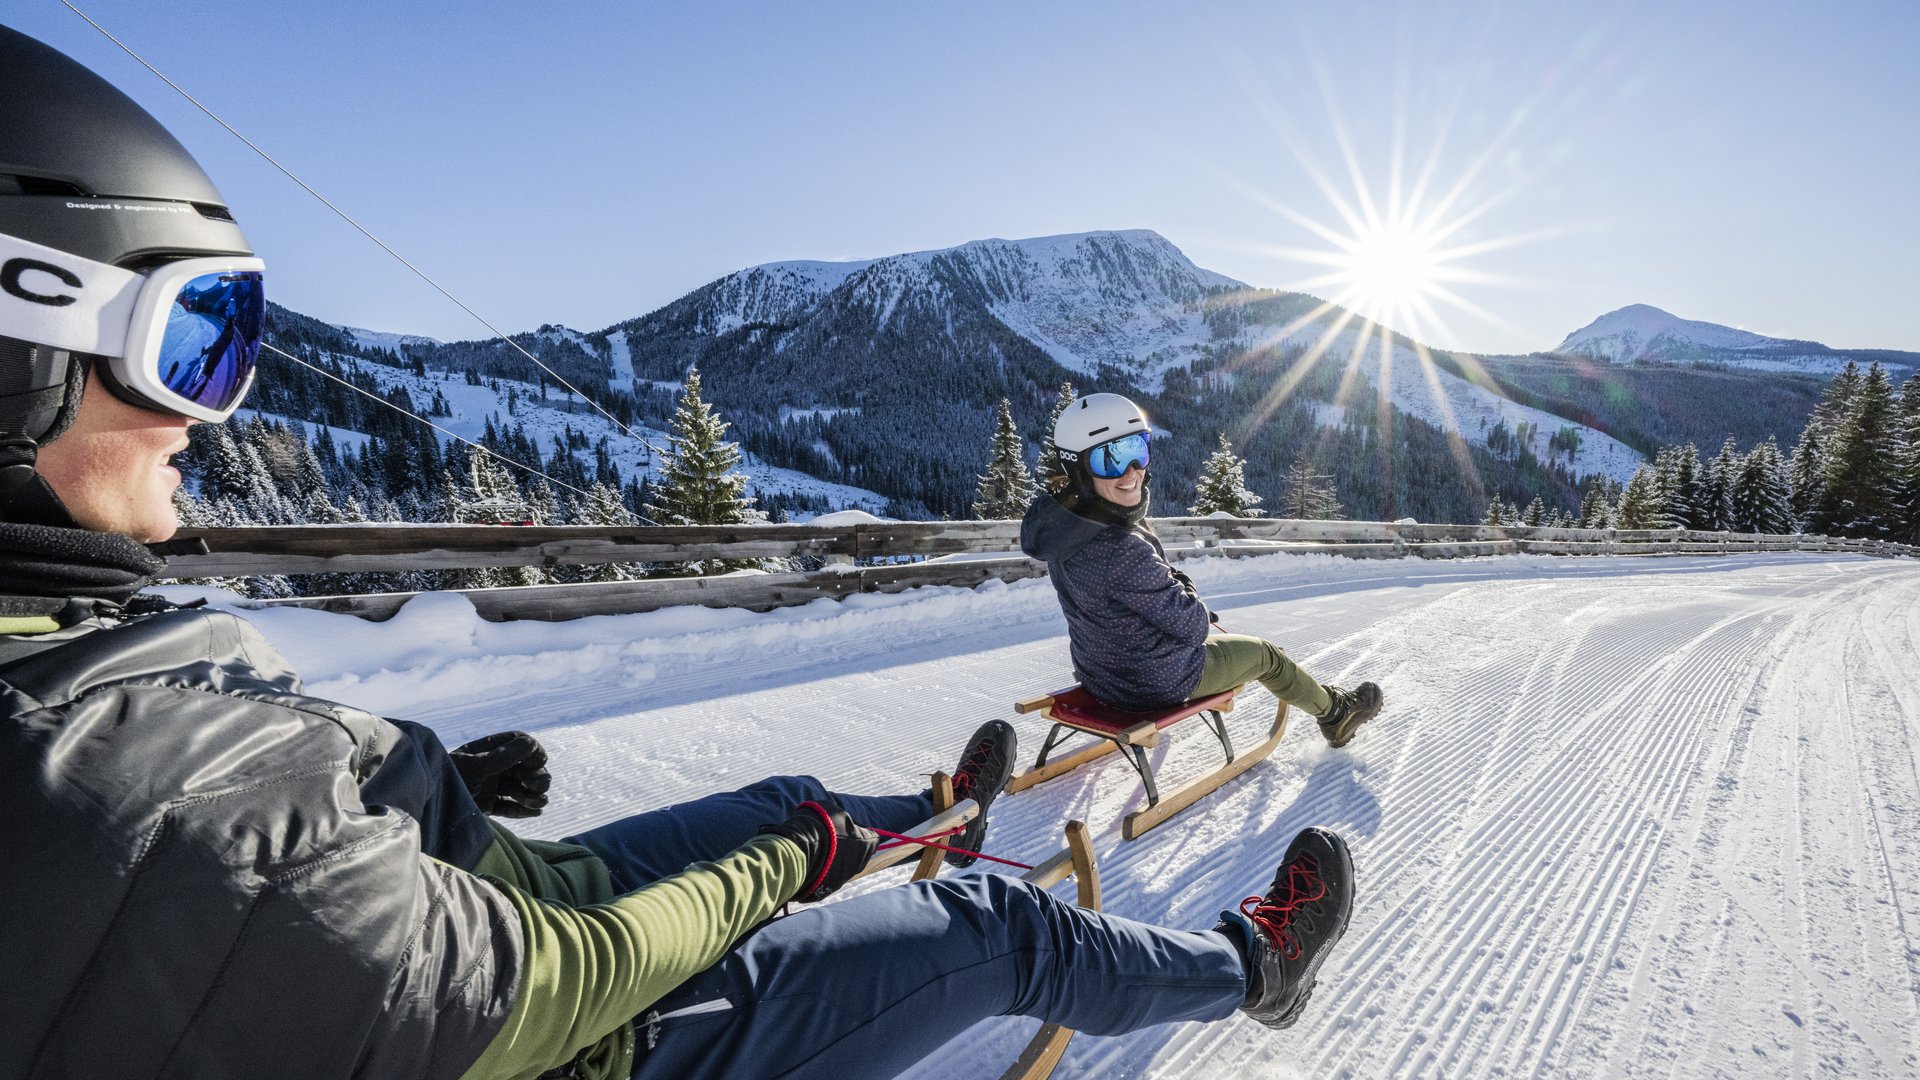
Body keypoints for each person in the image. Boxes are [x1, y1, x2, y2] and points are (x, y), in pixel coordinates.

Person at [0, 26, 1356, 1080]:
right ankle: (1248, 965)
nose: (207, 405)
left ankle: (929, 821)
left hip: (450, 905)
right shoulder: (123, 804)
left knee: (779, 797)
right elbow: (556, 980)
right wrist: (781, 871)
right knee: (997, 930)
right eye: (193, 334)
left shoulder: (70, 671)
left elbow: (241, 873)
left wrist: (409, 784)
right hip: (594, 1036)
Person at [1021, 393, 1385, 744]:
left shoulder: (1065, 531)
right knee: (1267, 655)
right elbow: (1194, 626)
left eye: (1137, 450)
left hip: (1101, 675)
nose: (1131, 471)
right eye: (1109, 459)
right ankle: (1336, 715)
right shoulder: (1122, 548)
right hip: (1154, 683)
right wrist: (1185, 588)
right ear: (1079, 469)